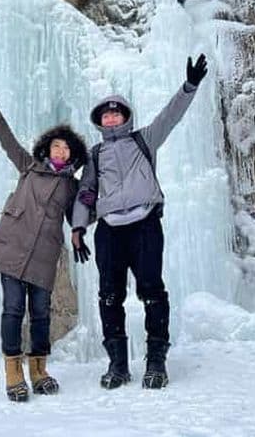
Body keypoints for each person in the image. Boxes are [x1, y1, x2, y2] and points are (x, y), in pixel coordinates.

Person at [70, 54, 208, 390]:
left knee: (152, 290)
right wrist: (77, 227)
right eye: (106, 113)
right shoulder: (95, 155)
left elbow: (170, 116)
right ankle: (117, 364)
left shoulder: (144, 139)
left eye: (117, 111)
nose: (112, 116)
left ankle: (156, 361)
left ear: (126, 116)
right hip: (109, 232)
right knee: (109, 296)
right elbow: (87, 192)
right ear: (100, 121)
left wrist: (189, 86)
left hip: (145, 224)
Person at [0, 97, 87, 402]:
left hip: (43, 257)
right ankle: (13, 372)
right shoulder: (28, 167)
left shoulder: (71, 187)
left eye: (66, 149)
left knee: (40, 314)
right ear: (47, 149)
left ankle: (39, 370)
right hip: (12, 249)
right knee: (12, 309)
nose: (61, 151)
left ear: (72, 155)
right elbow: (8, 143)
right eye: (56, 146)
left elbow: (82, 215)